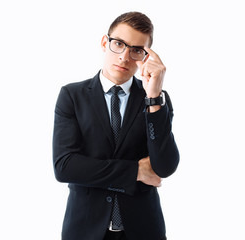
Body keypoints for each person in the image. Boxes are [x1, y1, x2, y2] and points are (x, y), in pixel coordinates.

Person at [53, 11, 179, 240]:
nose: (124, 57)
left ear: (145, 56)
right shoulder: (72, 95)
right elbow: (65, 166)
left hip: (143, 230)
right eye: (119, 44)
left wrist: (153, 98)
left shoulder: (157, 100)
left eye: (136, 50)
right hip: (85, 230)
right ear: (105, 43)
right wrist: (135, 171)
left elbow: (165, 167)